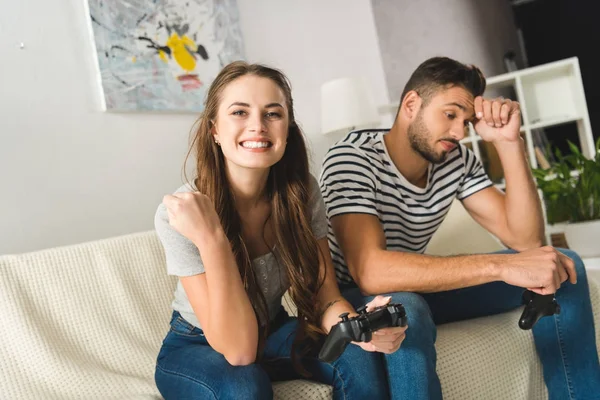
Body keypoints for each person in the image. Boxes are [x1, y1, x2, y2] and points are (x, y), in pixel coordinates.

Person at [319, 56, 600, 400]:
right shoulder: (353, 157)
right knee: (404, 308)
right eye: (450, 115)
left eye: (466, 121)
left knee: (561, 266)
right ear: (411, 104)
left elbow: (527, 242)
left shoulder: (456, 160)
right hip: (354, 299)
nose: (458, 132)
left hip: (416, 289)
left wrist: (508, 143)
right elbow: (370, 273)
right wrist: (500, 266)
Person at [153, 61, 407, 399]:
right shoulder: (182, 213)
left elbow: (325, 294)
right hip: (196, 343)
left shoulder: (302, 192)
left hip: (272, 329)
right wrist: (212, 238)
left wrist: (357, 328)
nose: (257, 126)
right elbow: (240, 352)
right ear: (214, 129)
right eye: (239, 113)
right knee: (244, 385)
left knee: (355, 354)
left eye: (272, 114)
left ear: (287, 127)